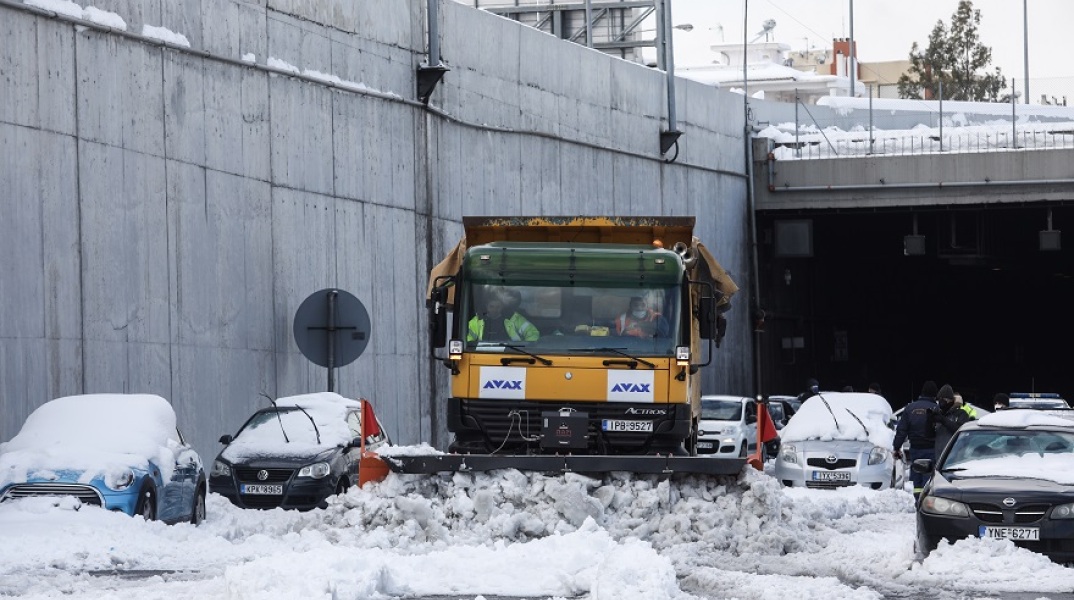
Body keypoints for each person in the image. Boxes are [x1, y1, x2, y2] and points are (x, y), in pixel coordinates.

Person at [893, 380, 939, 499]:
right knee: (928, 478)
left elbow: (901, 430)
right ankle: (926, 502)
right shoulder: (936, 409)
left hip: (915, 450)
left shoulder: (910, 408)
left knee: (917, 479)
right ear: (935, 394)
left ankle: (918, 501)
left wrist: (896, 447)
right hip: (931, 449)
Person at [467, 292, 539, 342]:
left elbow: (533, 333)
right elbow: (467, 339)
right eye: (491, 306)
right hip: (482, 355)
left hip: (511, 354)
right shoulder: (477, 320)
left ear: (502, 306)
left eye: (498, 307)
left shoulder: (514, 318)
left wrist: (525, 349)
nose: (495, 310)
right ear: (486, 306)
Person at [932, 384, 977, 459]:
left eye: (944, 399)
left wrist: (943, 420)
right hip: (939, 456)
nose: (941, 401)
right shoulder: (939, 413)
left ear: (951, 400)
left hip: (955, 456)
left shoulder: (961, 414)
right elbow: (930, 434)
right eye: (940, 398)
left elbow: (959, 429)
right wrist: (929, 420)